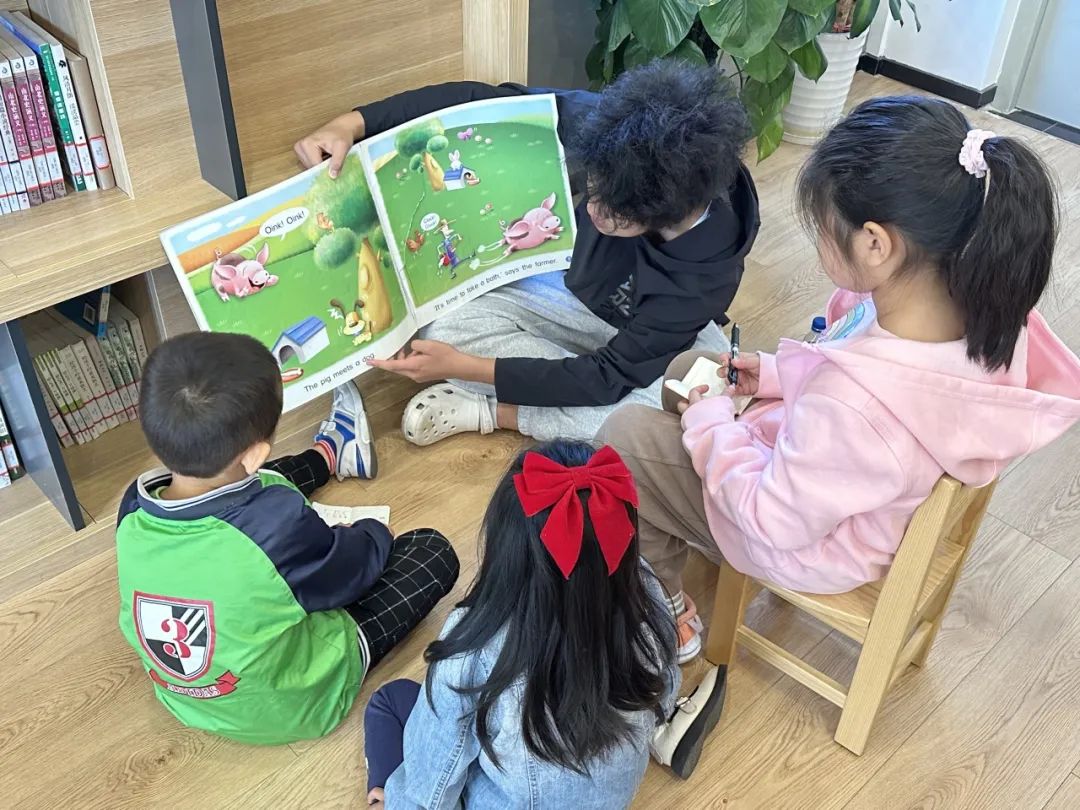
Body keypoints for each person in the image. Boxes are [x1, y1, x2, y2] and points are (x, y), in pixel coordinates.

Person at [598, 96, 1080, 666]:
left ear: (876, 243)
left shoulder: (853, 404)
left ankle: (661, 605)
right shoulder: (981, 311)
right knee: (689, 370)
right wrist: (777, 374)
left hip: (806, 542)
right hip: (856, 494)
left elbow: (772, 518)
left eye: (825, 231)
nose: (820, 242)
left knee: (624, 437)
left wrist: (712, 425)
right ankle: (680, 513)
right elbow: (846, 364)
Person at [294, 60, 759, 446]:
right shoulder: (624, 133)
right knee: (437, 328)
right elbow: (480, 102)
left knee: (676, 413)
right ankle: (531, 387)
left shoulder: (704, 274)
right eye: (593, 189)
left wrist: (464, 369)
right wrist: (353, 123)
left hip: (638, 330)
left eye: (614, 213)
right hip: (562, 286)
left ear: (665, 215)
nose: (592, 208)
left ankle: (500, 413)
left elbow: (608, 377)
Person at [115, 332, 460, 744]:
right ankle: (334, 456)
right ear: (256, 453)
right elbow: (349, 573)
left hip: (189, 699)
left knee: (250, 481)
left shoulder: (133, 507)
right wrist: (373, 532)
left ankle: (327, 455)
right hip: (295, 703)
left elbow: (253, 487)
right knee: (432, 552)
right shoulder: (275, 527)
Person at [361, 442, 728, 808]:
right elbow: (663, 689)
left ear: (506, 548)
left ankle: (378, 799)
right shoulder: (648, 594)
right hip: (613, 797)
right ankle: (665, 736)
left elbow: (432, 789)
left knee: (389, 702)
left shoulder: (474, 649)